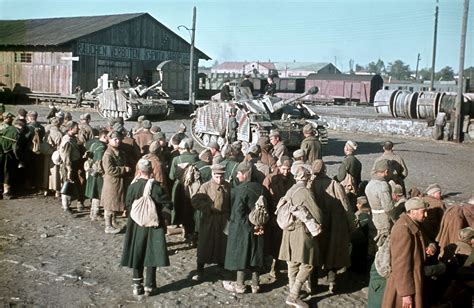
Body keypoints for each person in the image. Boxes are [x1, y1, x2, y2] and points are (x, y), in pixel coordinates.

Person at [121, 159, 170, 297]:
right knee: (151, 254)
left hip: (136, 225)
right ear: (151, 170)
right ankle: (150, 286)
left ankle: (137, 285)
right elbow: (167, 204)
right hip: (154, 225)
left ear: (139, 170)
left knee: (137, 253)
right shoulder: (156, 187)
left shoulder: (132, 186)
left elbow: (128, 204)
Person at [279, 167, 323, 308]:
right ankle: (293, 295)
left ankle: (293, 291)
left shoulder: (291, 189)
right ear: (307, 178)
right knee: (308, 262)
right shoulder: (305, 192)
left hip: (288, 231)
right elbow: (316, 213)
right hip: (301, 231)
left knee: (292, 262)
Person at [309, 159, 355, 293]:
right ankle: (332, 282)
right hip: (334, 223)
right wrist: (351, 224)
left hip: (317, 222)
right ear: (325, 170)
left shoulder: (310, 184)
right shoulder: (334, 184)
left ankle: (312, 284)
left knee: (316, 253)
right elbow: (346, 205)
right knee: (332, 252)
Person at [223, 161, 268, 294]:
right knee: (255, 255)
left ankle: (240, 285)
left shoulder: (240, 190)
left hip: (242, 228)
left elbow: (237, 212)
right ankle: (255, 285)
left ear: (244, 174)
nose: (237, 176)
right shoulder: (260, 188)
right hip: (259, 226)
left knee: (241, 255)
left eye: (238, 173)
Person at [382, 197, 428, 308]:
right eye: (423, 211)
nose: (426, 215)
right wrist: (406, 294)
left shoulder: (413, 224)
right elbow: (400, 264)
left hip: (410, 282)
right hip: (403, 287)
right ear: (412, 212)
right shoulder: (403, 229)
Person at [190, 164, 230, 281]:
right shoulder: (205, 187)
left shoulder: (228, 186)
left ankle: (221, 267)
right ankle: (200, 270)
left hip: (223, 219)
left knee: (222, 244)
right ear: (212, 174)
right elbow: (195, 201)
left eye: (221, 177)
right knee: (204, 245)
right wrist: (208, 208)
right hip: (209, 220)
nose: (219, 179)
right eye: (217, 176)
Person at [365, 159, 394, 308]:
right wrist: (395, 219)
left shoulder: (370, 184)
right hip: (384, 219)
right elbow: (388, 207)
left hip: (374, 216)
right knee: (384, 245)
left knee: (374, 241)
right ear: (386, 172)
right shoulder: (383, 186)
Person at [263, 156, 295, 278]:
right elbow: (264, 196)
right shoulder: (270, 179)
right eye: (283, 169)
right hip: (272, 214)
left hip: (286, 215)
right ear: (279, 167)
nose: (286, 172)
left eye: (288, 169)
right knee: (272, 242)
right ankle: (273, 265)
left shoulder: (292, 179)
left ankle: (280, 262)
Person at [101, 130, 132, 234]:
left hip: (118, 182)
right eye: (115, 139)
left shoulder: (119, 151)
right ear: (109, 140)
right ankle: (108, 226)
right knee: (110, 205)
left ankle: (114, 222)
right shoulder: (108, 154)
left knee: (115, 204)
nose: (117, 141)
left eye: (118, 139)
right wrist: (124, 169)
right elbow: (109, 170)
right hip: (112, 183)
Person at [59, 121, 85, 212]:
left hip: (75, 164)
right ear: (70, 129)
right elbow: (66, 157)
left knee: (74, 184)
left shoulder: (73, 138)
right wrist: (69, 169)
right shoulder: (67, 141)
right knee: (67, 184)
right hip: (69, 166)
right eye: (76, 128)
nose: (78, 129)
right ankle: (65, 206)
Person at [84, 130, 108, 221]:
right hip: (98, 174)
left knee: (95, 193)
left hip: (91, 172)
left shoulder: (94, 144)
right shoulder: (102, 147)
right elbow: (99, 162)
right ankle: (95, 213)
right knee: (98, 193)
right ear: (104, 137)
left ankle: (93, 212)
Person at [336, 140, 362, 207]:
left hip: (346, 189)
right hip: (354, 188)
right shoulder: (358, 162)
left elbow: (340, 177)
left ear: (346, 148)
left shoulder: (347, 160)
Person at [0, 112, 18, 199]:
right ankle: (6, 192)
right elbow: (15, 146)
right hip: (8, 153)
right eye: (11, 118)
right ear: (8, 118)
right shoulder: (13, 130)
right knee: (7, 172)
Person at [46, 118, 63, 198]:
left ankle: (46, 189)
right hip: (56, 155)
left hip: (47, 154)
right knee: (56, 173)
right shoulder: (59, 133)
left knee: (47, 172)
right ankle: (57, 191)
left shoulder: (47, 132)